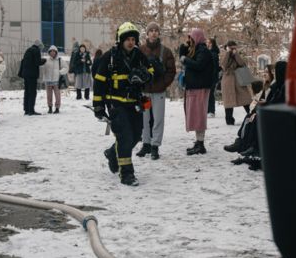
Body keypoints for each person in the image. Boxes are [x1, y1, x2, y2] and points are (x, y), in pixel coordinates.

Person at [92, 22, 153, 186]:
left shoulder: (139, 55)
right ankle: (127, 174)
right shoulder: (109, 57)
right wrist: (98, 106)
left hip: (135, 104)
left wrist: (144, 75)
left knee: (136, 136)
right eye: (128, 39)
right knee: (125, 137)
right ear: (121, 40)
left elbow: (152, 71)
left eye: (133, 39)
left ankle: (113, 153)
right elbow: (99, 82)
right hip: (116, 105)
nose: (131, 42)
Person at [135, 22, 176, 160]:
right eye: (151, 30)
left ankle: (155, 146)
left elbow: (171, 71)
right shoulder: (140, 50)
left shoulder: (166, 51)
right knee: (144, 118)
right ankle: (146, 144)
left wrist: (163, 84)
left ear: (159, 33)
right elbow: (135, 69)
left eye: (156, 30)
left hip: (158, 92)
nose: (153, 33)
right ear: (147, 34)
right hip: (145, 92)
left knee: (158, 119)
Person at [180, 28, 214, 155]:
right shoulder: (196, 50)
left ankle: (201, 144)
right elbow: (184, 60)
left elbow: (198, 65)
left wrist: (185, 59)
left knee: (198, 116)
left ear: (197, 37)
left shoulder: (203, 51)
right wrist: (183, 51)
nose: (189, 40)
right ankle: (199, 142)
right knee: (194, 115)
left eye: (191, 38)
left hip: (199, 88)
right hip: (194, 87)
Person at [220, 40, 251, 125]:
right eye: (232, 47)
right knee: (229, 101)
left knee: (246, 98)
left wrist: (236, 54)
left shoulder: (237, 54)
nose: (234, 49)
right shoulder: (224, 54)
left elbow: (242, 64)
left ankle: (252, 115)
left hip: (238, 79)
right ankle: (229, 120)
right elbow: (223, 65)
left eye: (235, 47)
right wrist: (228, 53)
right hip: (228, 79)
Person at [21, 39, 46, 115]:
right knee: (32, 92)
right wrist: (44, 60)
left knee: (27, 92)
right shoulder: (36, 50)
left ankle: (26, 109)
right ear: (39, 46)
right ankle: (31, 110)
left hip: (25, 74)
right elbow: (37, 62)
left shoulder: (28, 50)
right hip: (32, 75)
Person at [41, 45, 68, 114]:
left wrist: (60, 72)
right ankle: (50, 108)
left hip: (56, 80)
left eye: (54, 51)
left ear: (56, 52)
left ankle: (57, 108)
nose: (52, 53)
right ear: (49, 52)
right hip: (48, 80)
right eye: (51, 51)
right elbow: (41, 68)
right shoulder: (46, 60)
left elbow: (66, 67)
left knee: (57, 95)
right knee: (49, 95)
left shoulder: (59, 60)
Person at [206, 37, 220, 117]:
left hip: (212, 77)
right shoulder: (209, 52)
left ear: (212, 44)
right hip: (209, 76)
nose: (207, 44)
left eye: (209, 42)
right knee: (208, 93)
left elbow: (215, 67)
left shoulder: (213, 53)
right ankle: (208, 110)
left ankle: (211, 111)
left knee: (210, 93)